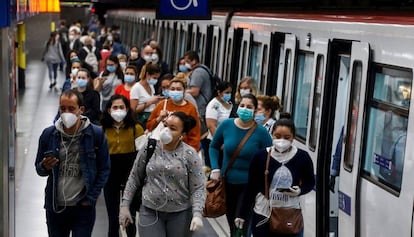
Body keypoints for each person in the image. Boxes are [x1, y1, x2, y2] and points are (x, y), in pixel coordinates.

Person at [35, 89, 110, 237]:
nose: (66, 112)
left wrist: (91, 198)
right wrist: (45, 166)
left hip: (82, 207)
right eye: (63, 108)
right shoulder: (49, 135)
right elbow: (39, 168)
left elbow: (104, 169)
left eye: (71, 108)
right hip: (55, 206)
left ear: (81, 110)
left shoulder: (95, 135)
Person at [119, 111, 206, 237]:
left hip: (180, 214)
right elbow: (134, 177)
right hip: (150, 211)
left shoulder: (189, 154)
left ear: (182, 134)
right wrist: (125, 205)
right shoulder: (149, 147)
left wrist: (197, 214)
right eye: (165, 125)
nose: (166, 130)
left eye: (173, 128)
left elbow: (198, 187)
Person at [237, 113, 315, 237]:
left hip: (290, 214)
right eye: (277, 136)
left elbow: (310, 182)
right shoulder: (260, 156)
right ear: (272, 135)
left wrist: (299, 190)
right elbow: (251, 188)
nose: (281, 140)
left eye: (286, 137)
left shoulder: (302, 157)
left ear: (293, 138)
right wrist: (241, 215)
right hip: (263, 214)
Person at [209, 94, 272, 236]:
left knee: (242, 222)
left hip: (249, 186)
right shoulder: (226, 125)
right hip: (227, 183)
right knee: (232, 222)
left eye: (249, 107)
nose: (245, 109)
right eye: (242, 105)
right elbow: (213, 146)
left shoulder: (261, 133)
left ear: (255, 111)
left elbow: (270, 156)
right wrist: (215, 168)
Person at [101, 94, 144, 237]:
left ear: (127, 110)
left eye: (121, 107)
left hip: (130, 176)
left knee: (130, 216)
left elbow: (142, 155)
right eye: (115, 107)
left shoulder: (136, 128)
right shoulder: (101, 130)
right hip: (109, 176)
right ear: (108, 110)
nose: (118, 110)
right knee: (112, 218)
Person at [146, 74, 201, 151]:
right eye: (172, 89)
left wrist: (192, 151)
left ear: (184, 91)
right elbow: (149, 126)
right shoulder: (162, 104)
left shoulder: (191, 108)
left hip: (182, 150)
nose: (175, 91)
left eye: (178, 89)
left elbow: (194, 134)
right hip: (161, 147)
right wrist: (159, 118)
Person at [204, 81, 233, 167]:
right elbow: (211, 125)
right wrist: (219, 142)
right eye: (227, 92)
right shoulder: (214, 105)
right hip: (217, 143)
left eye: (230, 92)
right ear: (219, 92)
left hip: (228, 142)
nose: (229, 95)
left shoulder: (230, 104)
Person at [184, 50, 212, 136]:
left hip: (200, 107)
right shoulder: (204, 69)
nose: (186, 64)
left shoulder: (197, 72)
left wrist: (183, 92)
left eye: (188, 62)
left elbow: (195, 91)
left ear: (194, 61)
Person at [130, 63, 163, 127]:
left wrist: (157, 100)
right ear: (147, 74)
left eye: (157, 78)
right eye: (154, 77)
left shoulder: (151, 86)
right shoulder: (136, 88)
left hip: (151, 118)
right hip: (141, 120)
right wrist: (150, 102)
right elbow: (133, 110)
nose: (156, 80)